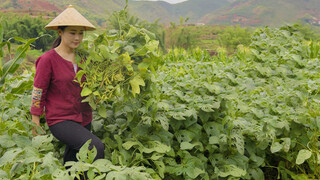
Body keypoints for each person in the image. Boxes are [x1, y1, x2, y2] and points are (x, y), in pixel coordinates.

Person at [30, 5, 104, 165]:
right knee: (95, 147)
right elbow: (38, 91)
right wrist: (35, 121)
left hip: (84, 117)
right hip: (61, 119)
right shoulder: (48, 59)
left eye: (80, 33)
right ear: (60, 32)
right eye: (72, 32)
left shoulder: (85, 58)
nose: (77, 37)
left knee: (75, 161)